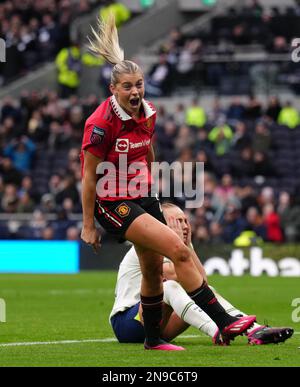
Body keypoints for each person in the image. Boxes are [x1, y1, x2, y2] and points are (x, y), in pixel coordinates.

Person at [80, 14, 256, 351]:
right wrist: (88, 225)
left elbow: (147, 149)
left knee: (150, 270)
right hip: (111, 201)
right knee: (177, 250)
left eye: (139, 84)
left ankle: (152, 340)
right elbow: (89, 176)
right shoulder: (100, 123)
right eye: (128, 86)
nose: (135, 91)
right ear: (113, 89)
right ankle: (226, 320)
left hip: (141, 195)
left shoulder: (147, 112)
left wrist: (150, 181)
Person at [110, 203, 294, 345]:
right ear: (161, 224)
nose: (184, 226)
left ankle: (255, 331)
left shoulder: (177, 249)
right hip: (127, 323)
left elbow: (201, 283)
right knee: (170, 287)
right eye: (177, 221)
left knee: (206, 291)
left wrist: (187, 246)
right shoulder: (147, 245)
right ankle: (218, 330)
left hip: (159, 325)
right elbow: (172, 276)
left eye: (185, 221)